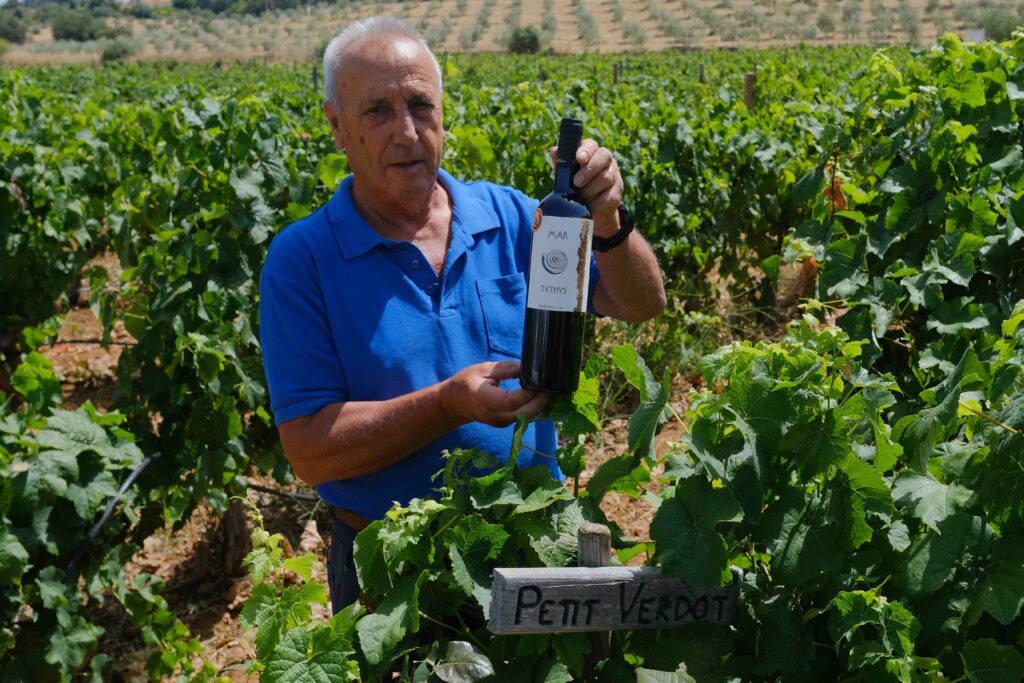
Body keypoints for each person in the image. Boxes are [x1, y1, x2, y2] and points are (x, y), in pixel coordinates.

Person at [258, 16, 666, 613]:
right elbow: (312, 450)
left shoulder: (513, 218)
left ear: (444, 114)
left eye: (421, 105)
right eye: (377, 110)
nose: (406, 132)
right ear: (336, 127)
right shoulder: (302, 260)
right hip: (392, 567)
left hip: (528, 537)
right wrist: (447, 404)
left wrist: (608, 221)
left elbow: (639, 303)